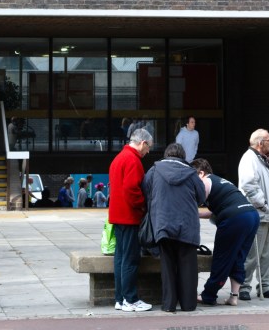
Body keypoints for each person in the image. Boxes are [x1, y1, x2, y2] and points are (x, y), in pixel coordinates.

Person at [143, 143, 205, 312]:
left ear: (166, 154)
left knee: (167, 265)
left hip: (163, 224)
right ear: (183, 156)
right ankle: (188, 304)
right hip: (188, 226)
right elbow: (201, 197)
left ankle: (169, 304)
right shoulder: (192, 174)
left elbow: (146, 191)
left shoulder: (154, 171)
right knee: (188, 266)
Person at [190, 158, 259, 307]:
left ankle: (208, 295)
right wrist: (197, 214)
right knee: (238, 258)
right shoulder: (221, 182)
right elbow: (217, 209)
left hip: (234, 219)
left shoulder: (205, 181)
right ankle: (234, 297)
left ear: (201, 173)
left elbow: (197, 199)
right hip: (251, 215)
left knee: (222, 258)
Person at [108, 128, 154, 313]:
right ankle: (130, 299)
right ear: (142, 143)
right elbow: (132, 190)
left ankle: (120, 299)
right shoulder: (133, 160)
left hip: (118, 216)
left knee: (120, 258)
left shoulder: (119, 158)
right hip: (129, 217)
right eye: (148, 147)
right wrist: (143, 205)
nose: (148, 151)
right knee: (130, 259)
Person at [237, 128, 269, 301]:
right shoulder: (249, 159)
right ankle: (244, 286)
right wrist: (262, 204)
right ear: (260, 143)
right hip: (259, 213)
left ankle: (265, 285)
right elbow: (248, 185)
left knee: (266, 254)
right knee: (252, 254)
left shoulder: (261, 159)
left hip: (267, 213)